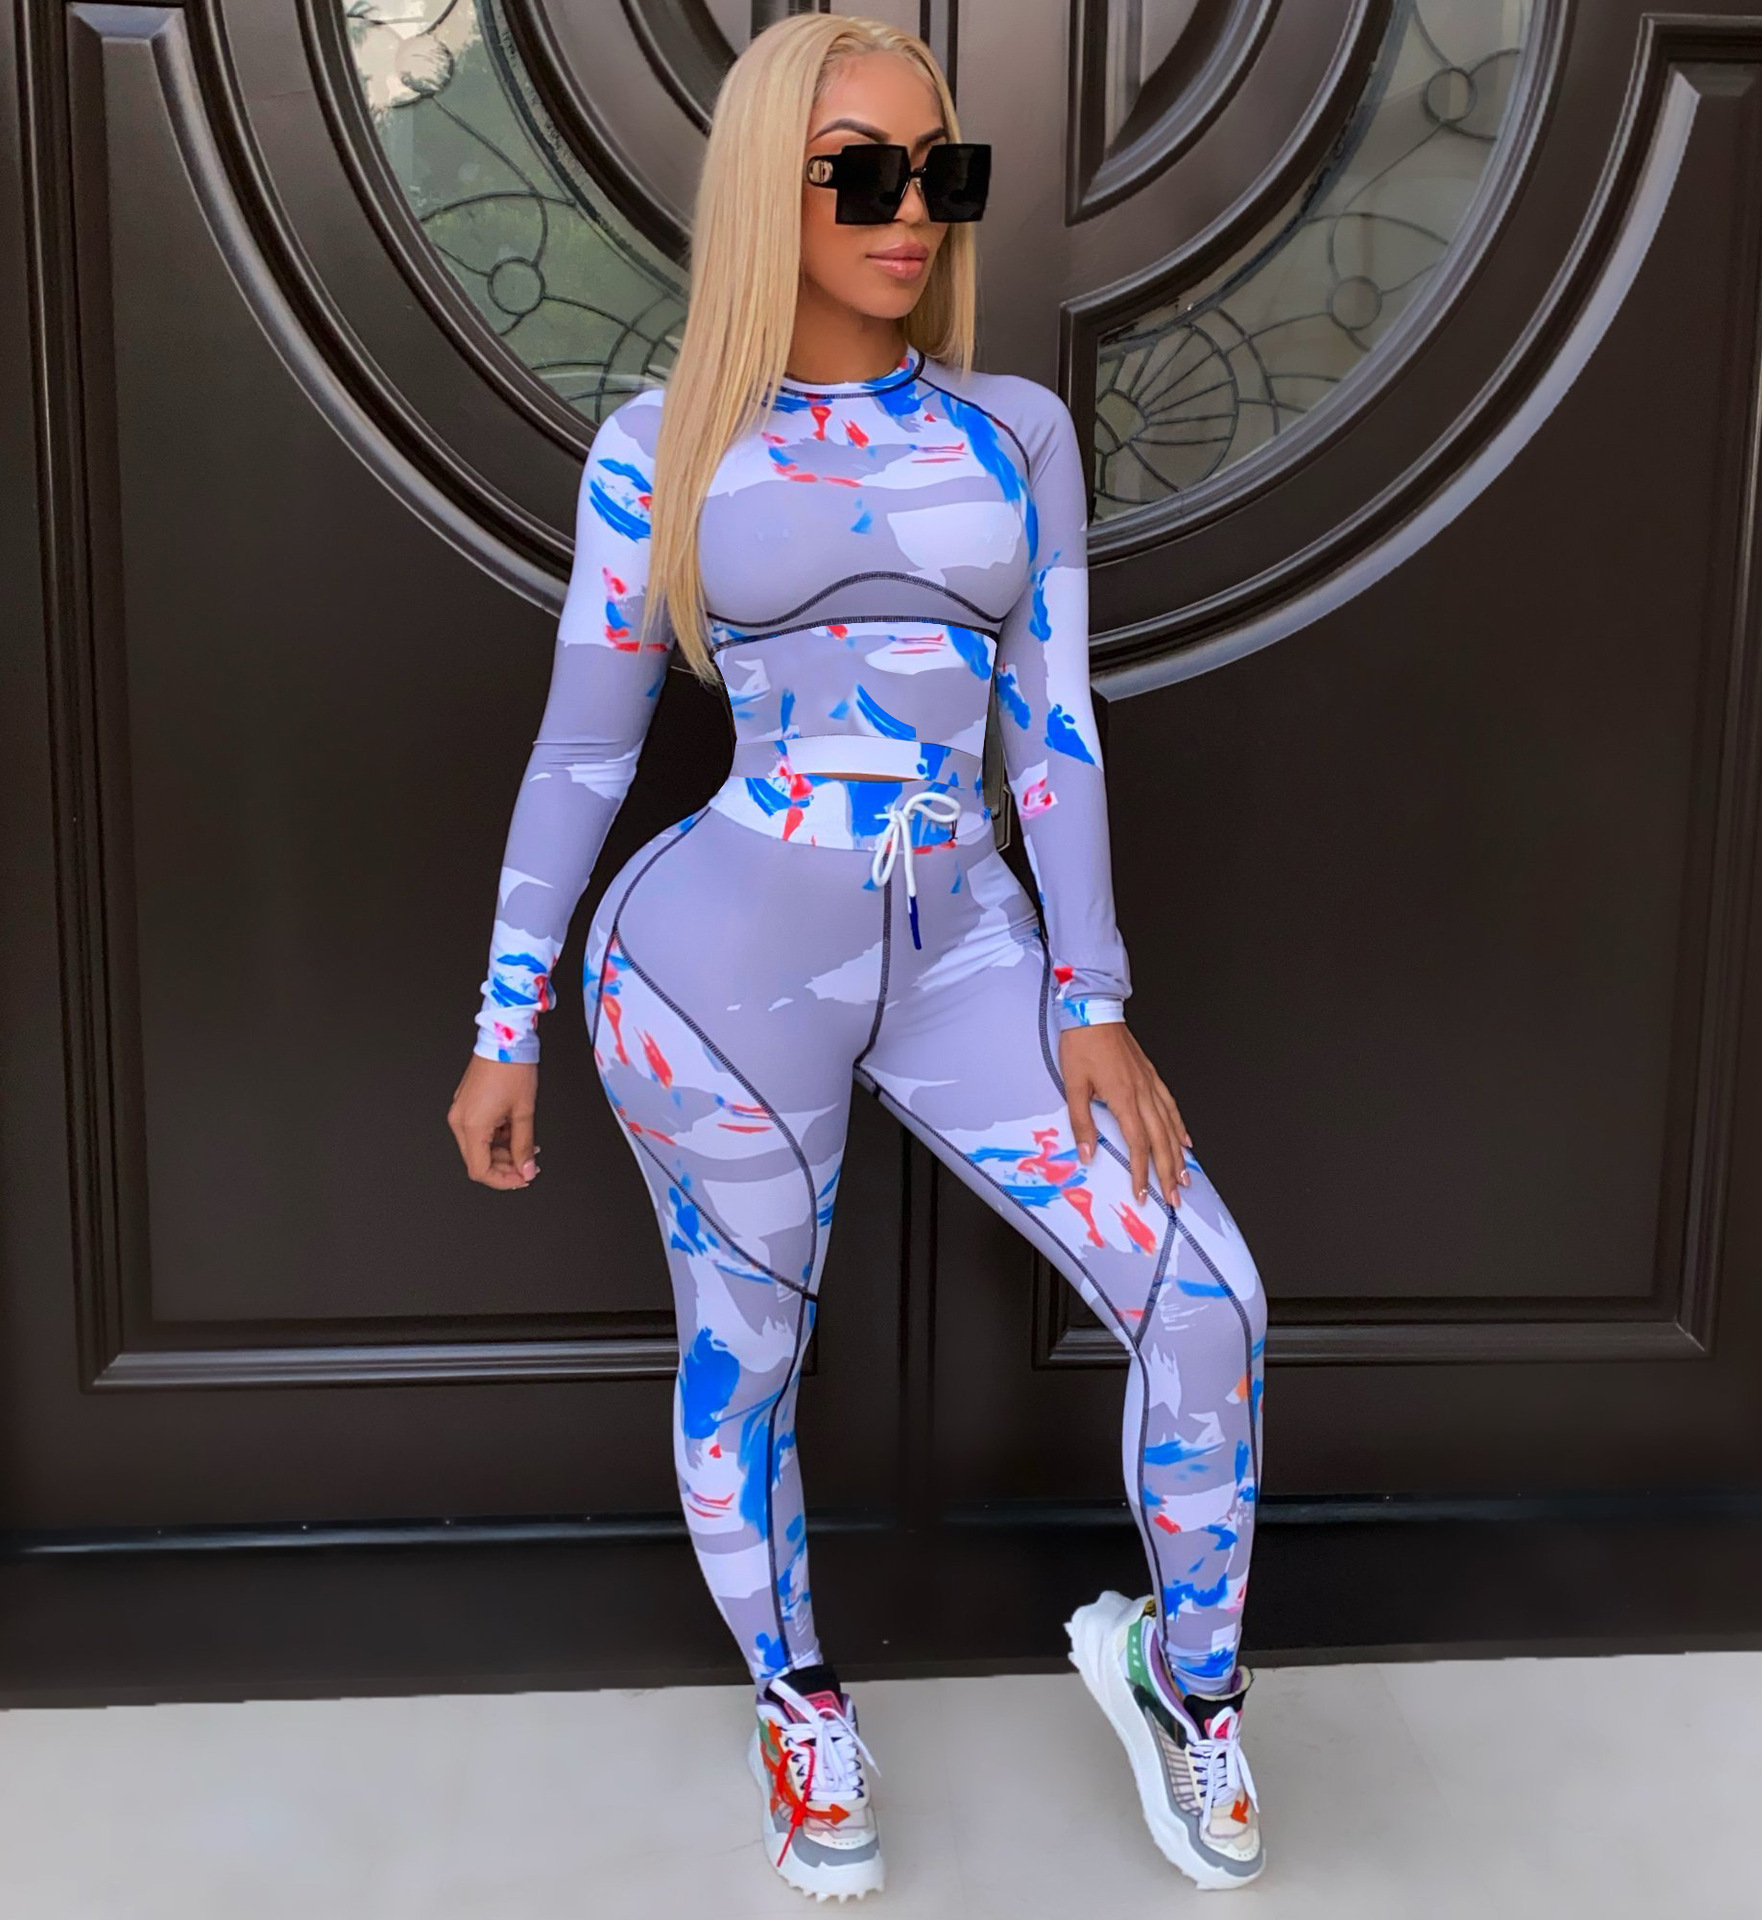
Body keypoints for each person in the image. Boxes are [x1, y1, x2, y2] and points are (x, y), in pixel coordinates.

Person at [446, 13, 1268, 1900]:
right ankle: (799, 1700)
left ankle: (1190, 1683)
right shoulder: (658, 448)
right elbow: (581, 752)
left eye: (941, 172)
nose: (913, 212)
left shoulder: (1015, 432)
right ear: (770, 190)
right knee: (745, 1362)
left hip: (972, 946)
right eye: (864, 174)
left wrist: (1093, 996)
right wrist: (504, 1021)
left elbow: (1054, 732)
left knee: (1206, 1299)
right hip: (714, 974)